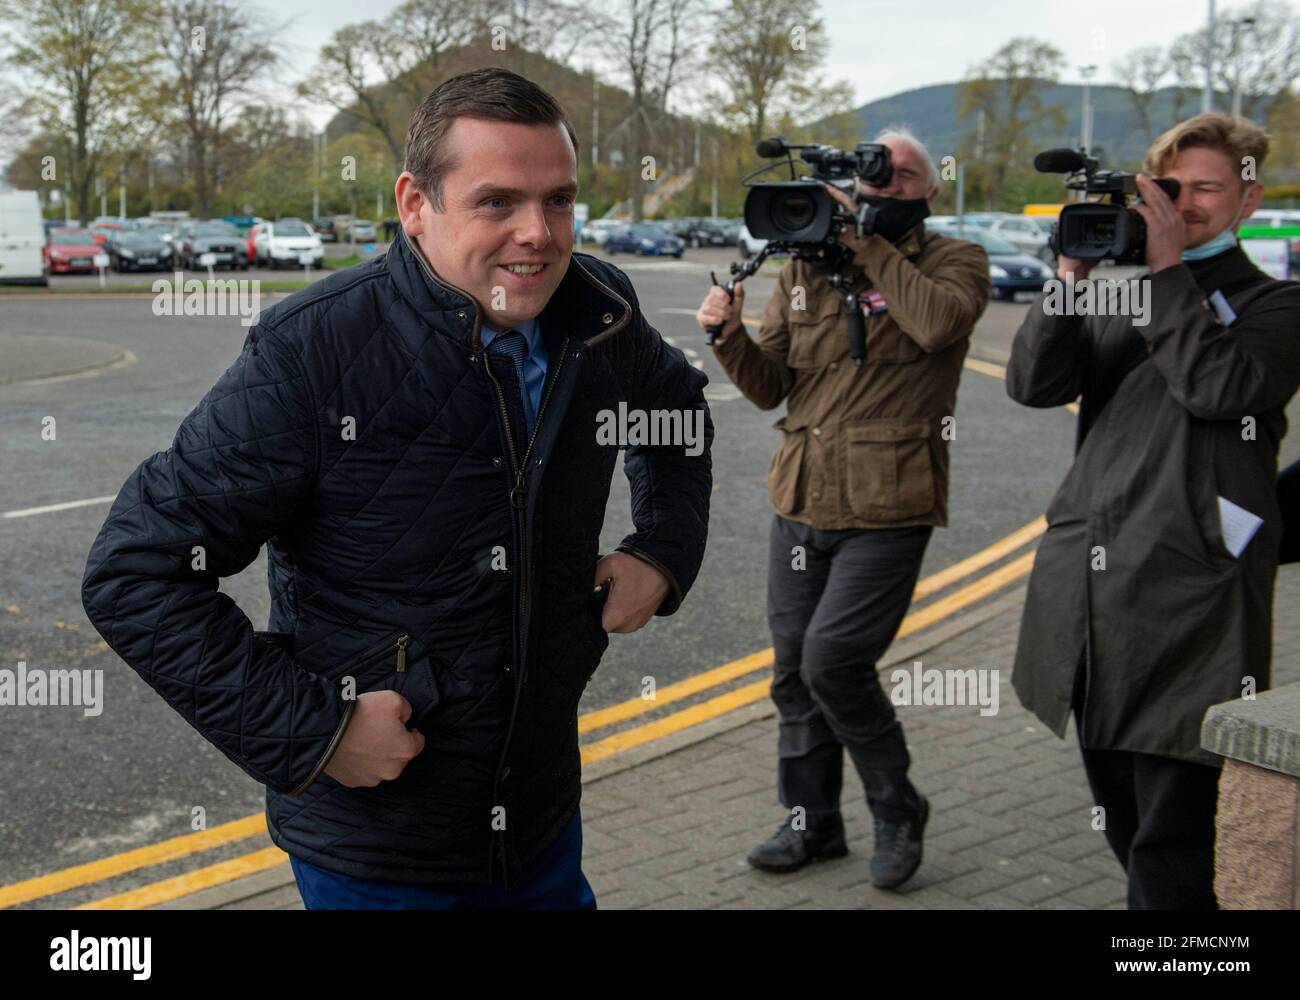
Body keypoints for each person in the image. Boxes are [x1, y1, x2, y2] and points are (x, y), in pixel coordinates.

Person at [81, 67, 713, 910]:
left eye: (558, 201)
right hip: (377, 852)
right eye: (498, 203)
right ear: (417, 204)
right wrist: (320, 729)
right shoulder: (311, 352)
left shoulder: (598, 313)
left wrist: (662, 550)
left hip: (540, 819)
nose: (538, 234)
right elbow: (136, 573)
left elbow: (677, 410)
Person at [1006, 113, 1300, 909]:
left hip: (1190, 605)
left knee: (1175, 848)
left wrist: (1167, 272)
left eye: (1208, 188)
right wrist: (1069, 280)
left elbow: (1222, 389)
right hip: (1096, 597)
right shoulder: (1117, 287)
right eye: (1170, 189)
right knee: (1129, 831)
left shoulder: (1276, 303)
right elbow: (1031, 386)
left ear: (1248, 197)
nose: (1187, 204)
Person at [695, 127, 990, 888]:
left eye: (900, 178)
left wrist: (866, 247)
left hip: (889, 507)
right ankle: (813, 824)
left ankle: (897, 808)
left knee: (835, 663)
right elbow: (769, 387)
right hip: (801, 499)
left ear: (930, 189)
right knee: (794, 671)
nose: (884, 187)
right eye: (873, 177)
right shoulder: (802, 268)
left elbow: (936, 324)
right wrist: (727, 338)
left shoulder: (954, 260)